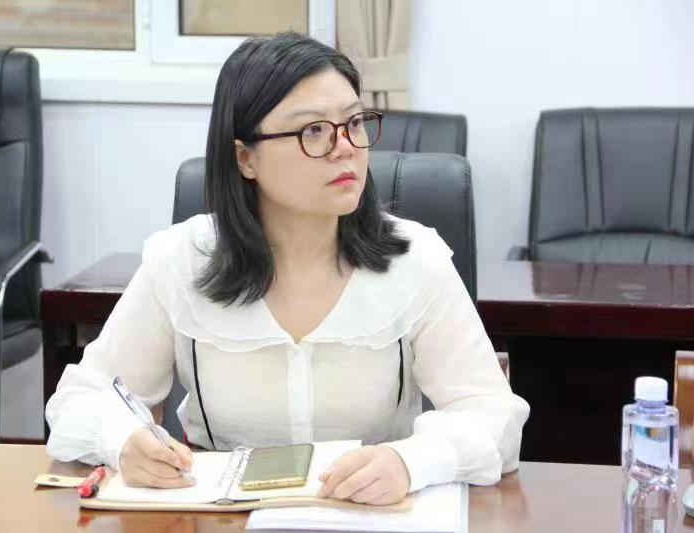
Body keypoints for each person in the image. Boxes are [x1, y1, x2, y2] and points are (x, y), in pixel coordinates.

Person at [46, 32, 529, 506]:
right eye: (313, 130)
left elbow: (493, 414)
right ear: (245, 158)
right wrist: (122, 440)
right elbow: (78, 401)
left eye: (355, 122)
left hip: (371, 514)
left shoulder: (416, 260)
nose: (346, 147)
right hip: (225, 519)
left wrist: (411, 462)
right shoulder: (181, 260)